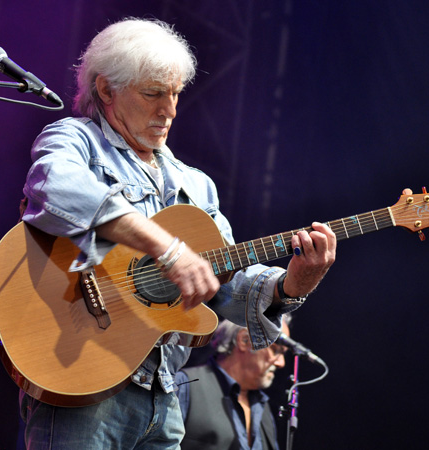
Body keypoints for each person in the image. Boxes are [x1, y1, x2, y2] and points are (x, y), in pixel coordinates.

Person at [18, 17, 337, 449]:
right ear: (106, 90)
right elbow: (57, 188)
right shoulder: (75, 140)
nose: (169, 110)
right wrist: (166, 249)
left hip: (164, 398)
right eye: (153, 94)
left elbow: (225, 288)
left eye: (174, 94)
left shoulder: (197, 185)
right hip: (83, 386)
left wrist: (295, 283)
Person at [176, 317, 292, 450]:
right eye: (275, 350)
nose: (281, 363)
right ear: (244, 340)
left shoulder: (263, 407)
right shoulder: (185, 384)